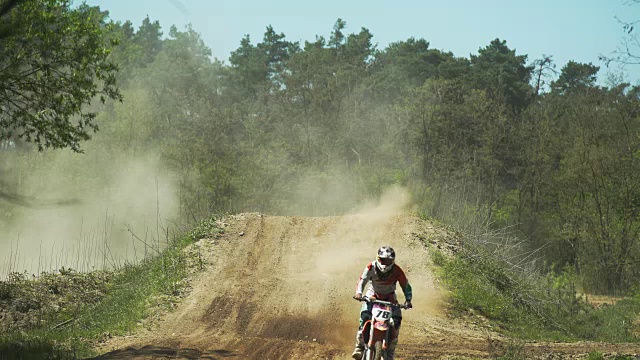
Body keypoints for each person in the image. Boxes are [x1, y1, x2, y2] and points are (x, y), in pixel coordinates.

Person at [352, 245, 413, 360]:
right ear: (378, 258)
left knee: (396, 322)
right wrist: (359, 293)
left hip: (390, 298)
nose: (385, 263)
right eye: (383, 260)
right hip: (373, 296)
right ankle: (359, 347)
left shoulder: (397, 270)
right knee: (364, 317)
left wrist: (408, 300)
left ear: (392, 261)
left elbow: (406, 286)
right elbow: (362, 280)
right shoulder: (371, 267)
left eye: (388, 260)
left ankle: (390, 352)